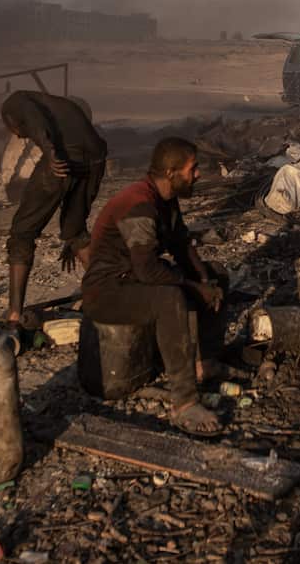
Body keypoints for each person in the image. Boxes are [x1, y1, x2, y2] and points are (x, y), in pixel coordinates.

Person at [81, 137, 227, 436]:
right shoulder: (140, 205)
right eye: (193, 168)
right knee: (169, 298)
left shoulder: (166, 200)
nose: (198, 174)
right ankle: (184, 402)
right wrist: (193, 289)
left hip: (132, 279)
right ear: (172, 172)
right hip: (107, 292)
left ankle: (203, 362)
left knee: (217, 274)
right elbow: (147, 270)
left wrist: (204, 281)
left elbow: (182, 246)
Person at [1, 91, 108, 326]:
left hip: (63, 158)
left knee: (22, 232)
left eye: (15, 131)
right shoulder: (58, 105)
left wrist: (50, 153)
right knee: (75, 230)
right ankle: (105, 298)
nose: (19, 137)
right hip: (96, 158)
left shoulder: (16, 102)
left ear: (10, 120)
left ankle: (14, 313)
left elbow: (35, 120)